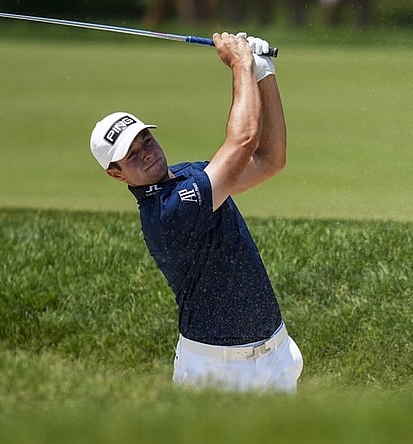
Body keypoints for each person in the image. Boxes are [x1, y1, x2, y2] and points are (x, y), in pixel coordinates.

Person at [89, 32, 303, 393]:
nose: (146, 152)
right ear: (116, 174)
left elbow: (269, 160)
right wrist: (240, 65)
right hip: (216, 372)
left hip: (275, 353)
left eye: (145, 139)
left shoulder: (190, 176)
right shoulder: (168, 213)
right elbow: (244, 139)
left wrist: (263, 74)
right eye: (131, 155)